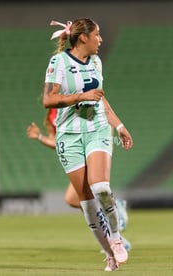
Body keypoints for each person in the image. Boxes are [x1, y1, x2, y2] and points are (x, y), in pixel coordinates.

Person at [41, 18, 133, 271]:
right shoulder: (58, 63)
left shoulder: (95, 62)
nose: (100, 39)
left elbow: (100, 99)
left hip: (97, 129)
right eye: (97, 34)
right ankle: (109, 254)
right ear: (83, 37)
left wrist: (120, 126)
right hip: (69, 136)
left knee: (101, 187)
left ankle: (115, 237)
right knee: (86, 202)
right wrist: (80, 96)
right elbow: (48, 100)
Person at [26, 109, 131, 243]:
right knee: (73, 199)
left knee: (90, 192)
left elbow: (102, 112)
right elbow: (57, 142)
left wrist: (106, 138)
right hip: (78, 154)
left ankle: (114, 230)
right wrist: (40, 137)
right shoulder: (53, 111)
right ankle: (114, 231)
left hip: (92, 145)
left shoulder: (76, 96)